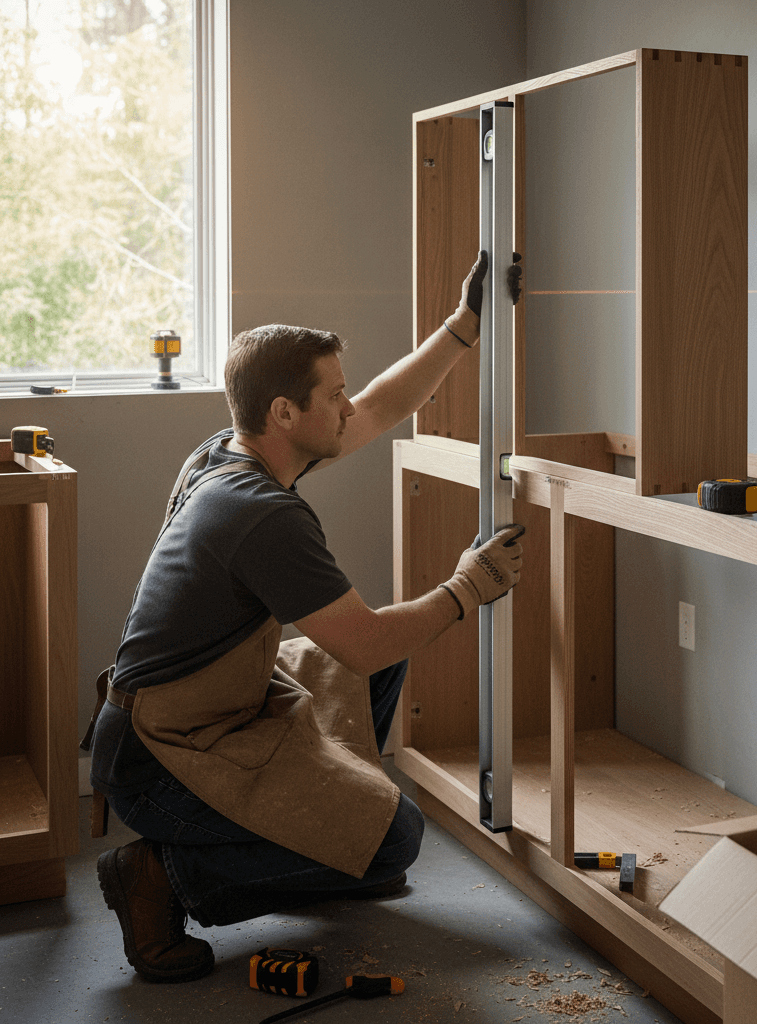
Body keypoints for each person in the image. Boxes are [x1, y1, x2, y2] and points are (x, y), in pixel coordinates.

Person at [84, 251, 525, 983]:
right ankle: (161, 874)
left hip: (206, 703)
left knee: (386, 666)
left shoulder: (231, 453)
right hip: (162, 755)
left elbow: (383, 405)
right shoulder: (260, 515)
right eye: (334, 395)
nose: (349, 408)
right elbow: (362, 643)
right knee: (395, 843)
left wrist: (465, 323)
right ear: (285, 413)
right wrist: (468, 586)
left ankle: (331, 835)